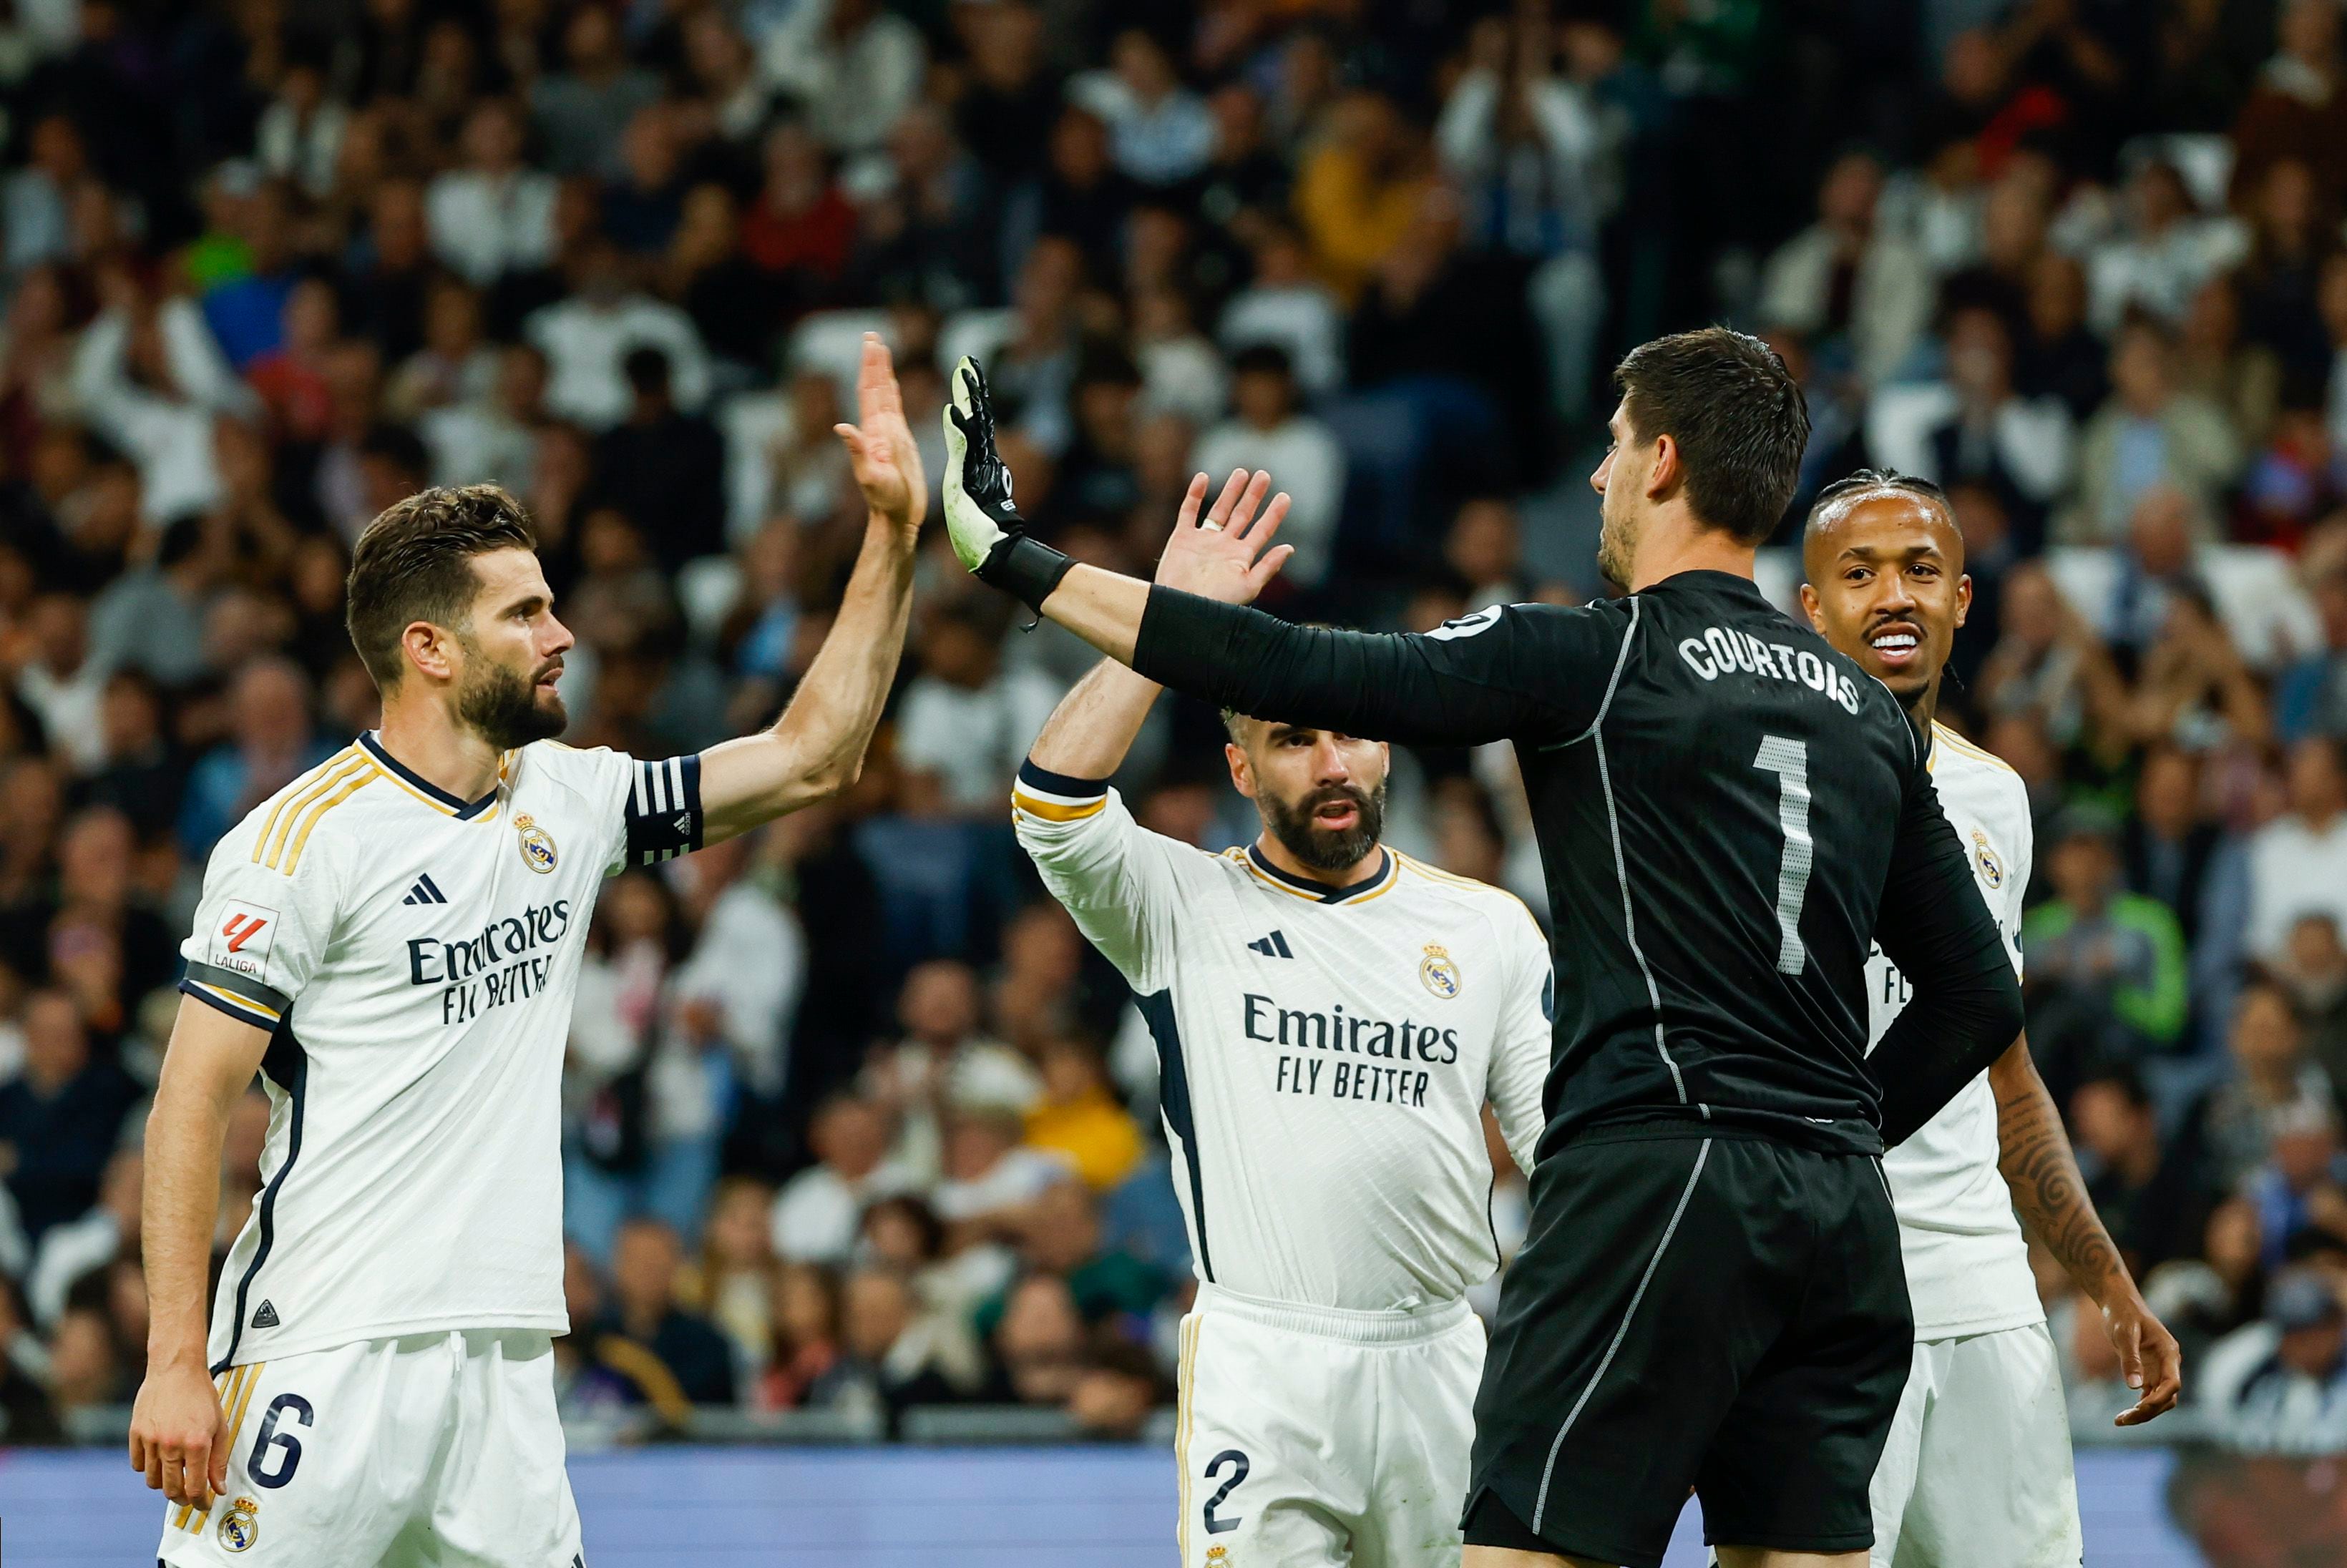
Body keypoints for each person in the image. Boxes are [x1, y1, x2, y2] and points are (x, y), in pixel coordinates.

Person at [939, 328, 2026, 1568]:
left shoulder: (1597, 655)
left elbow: (1302, 663)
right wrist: (1838, 1128)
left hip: (1662, 1173)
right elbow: (1980, 993)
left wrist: (1016, 560)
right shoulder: (1865, 713)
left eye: (1614, 450)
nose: (1598, 480)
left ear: (1662, 461)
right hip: (1840, 1218)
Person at [130, 334, 926, 1563]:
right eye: (527, 612)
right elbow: (190, 1107)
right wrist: (176, 1362)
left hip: (501, 1360)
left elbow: (816, 753)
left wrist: (889, 539)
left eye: (552, 603)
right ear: (430, 650)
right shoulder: (299, 846)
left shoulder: (569, 797)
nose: (564, 634)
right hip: (321, 1347)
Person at [1013, 567, 1552, 1564]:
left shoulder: (1488, 929)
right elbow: (1051, 802)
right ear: (1241, 772)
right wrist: (1171, 620)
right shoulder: (1176, 907)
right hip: (1264, 1367)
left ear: (1384, 740)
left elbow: (1569, 1162)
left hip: (1443, 1359)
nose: (1331, 763)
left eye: (1348, 730)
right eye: (1293, 742)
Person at [1797, 470, 2180, 1568]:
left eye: (1921, 570)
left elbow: (2006, 1074)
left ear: (1964, 599)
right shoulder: (1749, 789)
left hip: (1983, 1284)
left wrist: (2108, 1283)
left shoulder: (1995, 799)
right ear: (1812, 610)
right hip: (1824, 1286)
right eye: (1858, 573)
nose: (1893, 597)